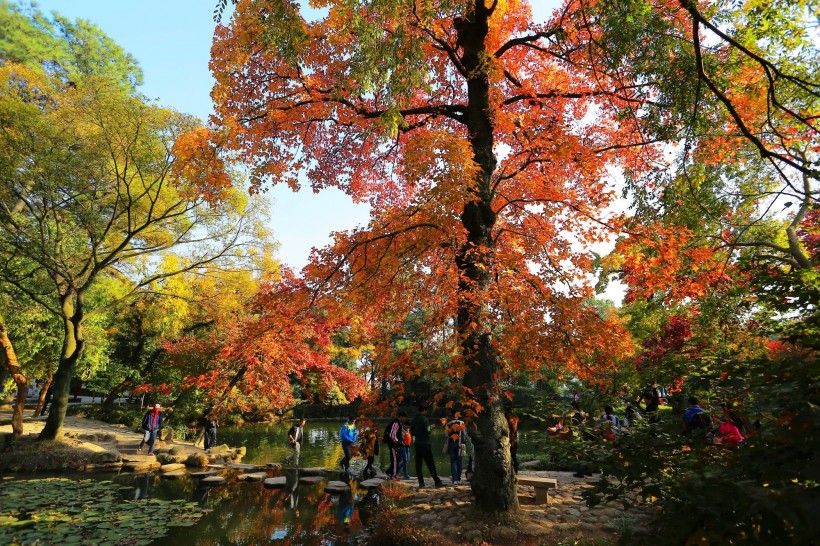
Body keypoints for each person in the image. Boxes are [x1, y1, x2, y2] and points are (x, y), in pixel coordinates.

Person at [409, 404, 443, 488]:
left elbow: (412, 432)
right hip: (425, 443)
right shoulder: (424, 419)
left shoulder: (413, 419)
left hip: (417, 443)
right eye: (426, 411)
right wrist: (431, 428)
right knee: (430, 463)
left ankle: (421, 482)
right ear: (423, 410)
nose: (427, 412)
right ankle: (437, 481)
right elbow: (427, 431)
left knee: (418, 463)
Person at [444, 414, 466, 485]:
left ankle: (454, 480)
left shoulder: (448, 424)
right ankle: (459, 479)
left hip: (451, 444)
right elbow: (464, 434)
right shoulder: (462, 423)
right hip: (459, 444)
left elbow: (446, 435)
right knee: (459, 462)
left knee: (453, 462)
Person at [384, 411, 405, 480]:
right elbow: (392, 435)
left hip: (395, 445)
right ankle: (393, 475)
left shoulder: (398, 423)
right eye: (404, 417)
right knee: (395, 460)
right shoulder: (396, 423)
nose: (404, 419)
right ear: (400, 416)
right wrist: (397, 442)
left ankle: (389, 472)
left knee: (398, 459)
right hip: (393, 445)